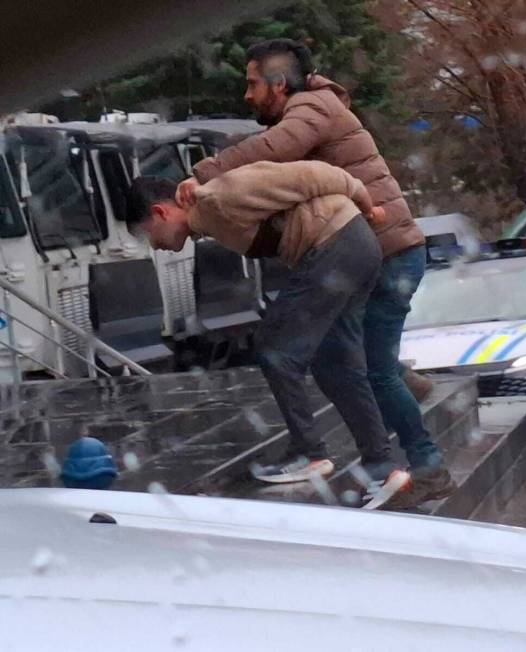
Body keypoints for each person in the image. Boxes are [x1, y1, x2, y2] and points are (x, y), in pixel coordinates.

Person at [174, 38, 454, 506]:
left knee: (373, 370)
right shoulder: (315, 106)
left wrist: (206, 173)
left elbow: (276, 146)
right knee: (341, 358)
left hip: (387, 252)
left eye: (252, 84)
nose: (247, 95)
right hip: (376, 250)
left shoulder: (313, 106)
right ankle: (387, 435)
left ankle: (428, 469)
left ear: (278, 84)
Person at [125, 161, 415, 509]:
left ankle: (310, 454)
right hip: (350, 247)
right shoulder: (208, 214)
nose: (154, 247)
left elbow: (314, 175)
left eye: (148, 235)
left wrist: (367, 207)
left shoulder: (217, 196)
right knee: (334, 362)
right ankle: (383, 467)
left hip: (338, 245)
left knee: (275, 347)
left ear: (160, 212)